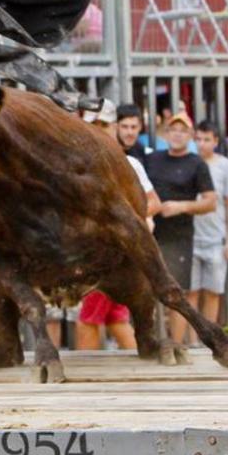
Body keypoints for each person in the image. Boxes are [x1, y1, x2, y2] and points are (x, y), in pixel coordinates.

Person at [76, 104, 158, 350]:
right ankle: (148, 365)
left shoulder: (129, 163)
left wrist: (122, 221)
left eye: (104, 125)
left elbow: (154, 202)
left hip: (110, 255)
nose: (99, 130)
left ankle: (82, 382)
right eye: (94, 125)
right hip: (101, 252)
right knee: (115, 319)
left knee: (87, 320)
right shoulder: (76, 164)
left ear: (113, 128)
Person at [144, 112, 216, 336]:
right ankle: (151, 340)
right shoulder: (152, 159)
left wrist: (182, 206)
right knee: (146, 290)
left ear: (191, 136)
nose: (177, 134)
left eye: (183, 130)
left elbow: (210, 202)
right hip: (150, 234)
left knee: (176, 292)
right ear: (166, 133)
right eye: (173, 129)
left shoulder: (197, 165)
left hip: (179, 238)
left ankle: (177, 343)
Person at [173, 121, 228, 344]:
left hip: (215, 238)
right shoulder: (187, 164)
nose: (202, 144)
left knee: (212, 291)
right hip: (189, 238)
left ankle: (207, 339)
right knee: (189, 292)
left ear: (216, 142)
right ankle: (190, 341)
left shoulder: (226, 167)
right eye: (198, 139)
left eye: (207, 139)